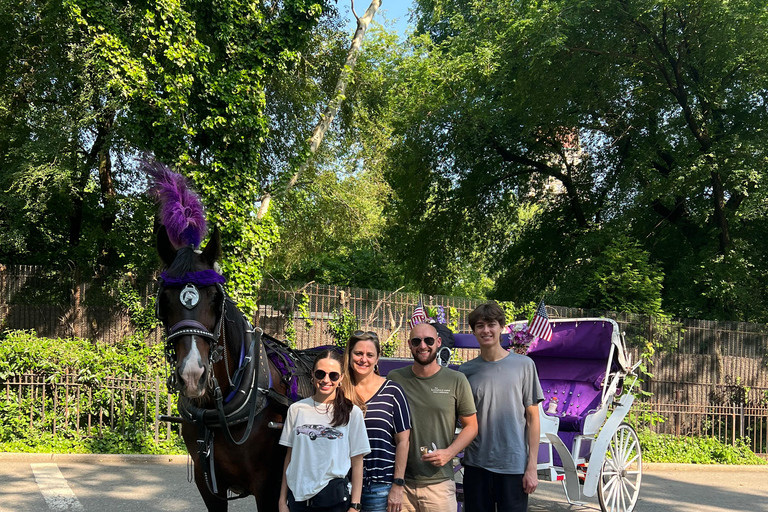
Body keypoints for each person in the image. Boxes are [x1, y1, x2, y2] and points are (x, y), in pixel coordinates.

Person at [458, 301, 544, 512]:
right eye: (480, 325)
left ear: (501, 327)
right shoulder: (465, 371)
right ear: (474, 331)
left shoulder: (524, 366)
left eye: (491, 324)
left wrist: (531, 467)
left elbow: (533, 419)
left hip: (513, 466)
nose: (486, 330)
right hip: (476, 465)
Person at [387, 322, 478, 512]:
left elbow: (472, 426)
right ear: (409, 344)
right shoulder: (395, 379)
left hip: (439, 483)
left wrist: (449, 452)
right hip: (400, 482)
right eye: (416, 341)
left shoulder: (456, 380)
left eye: (428, 340)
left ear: (438, 342)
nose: (422, 346)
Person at [279, 349, 371, 512]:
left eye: (333, 375)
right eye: (320, 374)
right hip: (298, 500)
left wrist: (355, 506)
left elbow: (357, 462)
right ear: (312, 375)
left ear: (341, 378)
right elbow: (289, 458)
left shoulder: (352, 413)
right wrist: (282, 501)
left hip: (334, 500)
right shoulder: (296, 409)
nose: (326, 380)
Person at [343, 331, 411, 512]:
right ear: (349, 355)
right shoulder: (339, 392)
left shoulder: (393, 392)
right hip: (342, 486)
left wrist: (397, 485)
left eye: (369, 355)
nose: (363, 359)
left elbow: (403, 441)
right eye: (358, 353)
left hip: (380, 487)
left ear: (377, 358)